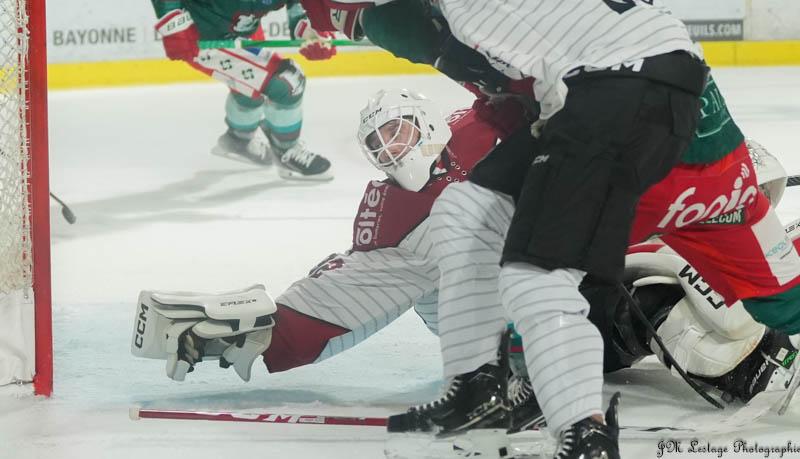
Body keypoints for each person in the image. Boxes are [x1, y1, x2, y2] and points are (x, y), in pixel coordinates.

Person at [130, 90, 798, 438]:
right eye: (378, 145)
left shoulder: (486, 125)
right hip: (546, 335)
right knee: (661, 306)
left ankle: (766, 310)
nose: (393, 150)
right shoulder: (398, 214)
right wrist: (255, 334)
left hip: (598, 248)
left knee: (698, 248)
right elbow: (339, 302)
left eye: (397, 130)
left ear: (425, 120)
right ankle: (766, 366)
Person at [150, 0, 334, 180]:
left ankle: (238, 140)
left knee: (250, 87)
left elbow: (302, 5)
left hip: (242, 28)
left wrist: (311, 31)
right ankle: (286, 151)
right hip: (202, 35)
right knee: (288, 81)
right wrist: (173, 23)